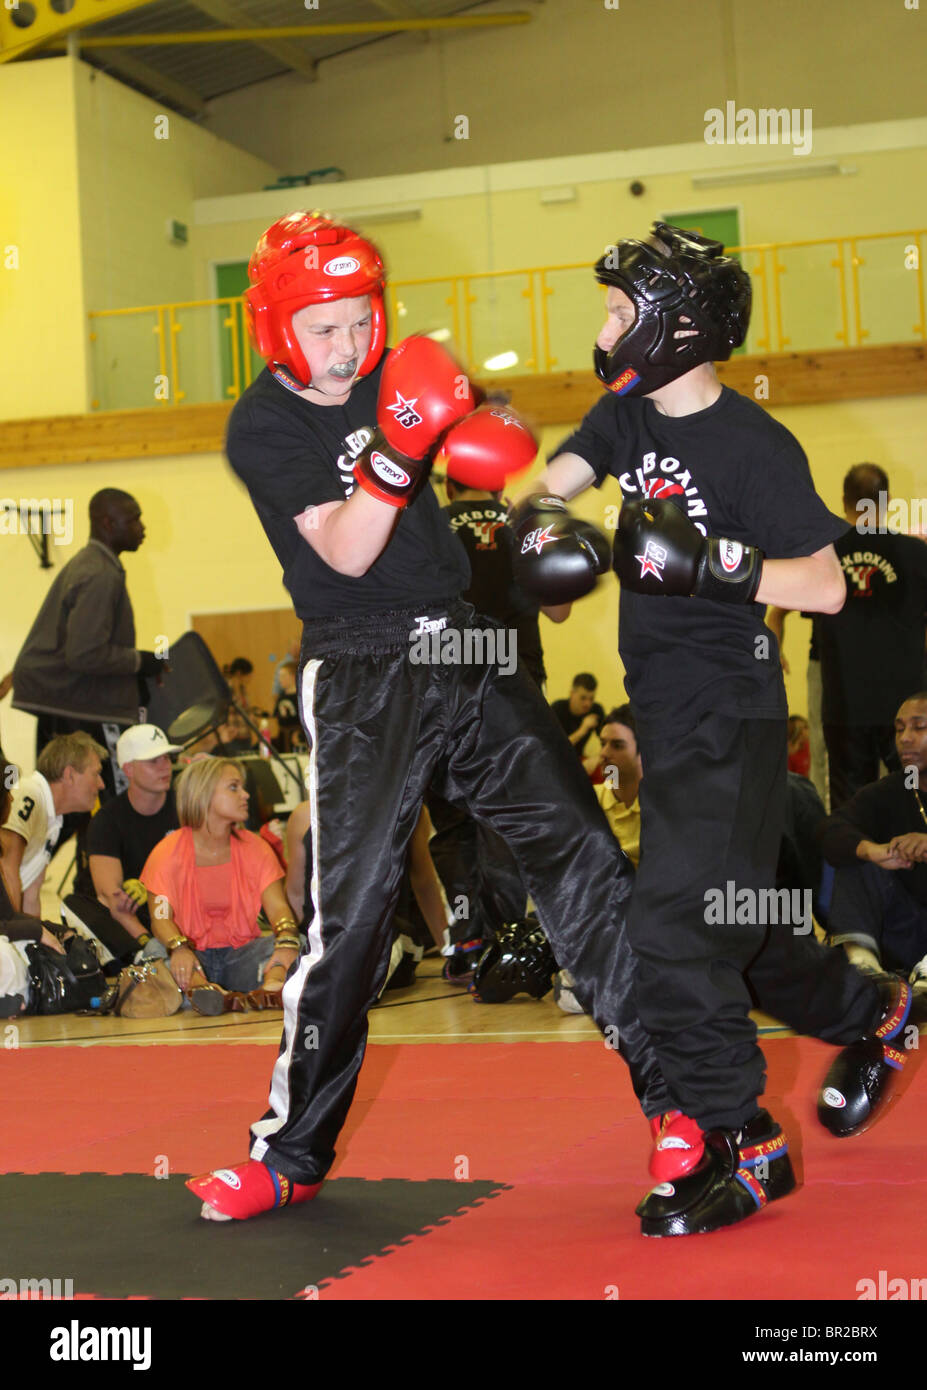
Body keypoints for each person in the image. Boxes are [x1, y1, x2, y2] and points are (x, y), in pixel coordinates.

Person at [186, 210, 677, 1224]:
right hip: (361, 668)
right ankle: (291, 1153)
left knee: (581, 853)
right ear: (279, 329)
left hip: (463, 638)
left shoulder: (393, 367)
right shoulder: (264, 424)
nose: (349, 345)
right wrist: (404, 448)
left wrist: (527, 509)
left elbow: (484, 470)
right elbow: (350, 549)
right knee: (353, 919)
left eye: (361, 320)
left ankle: (681, 1099)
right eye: (322, 328)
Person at [511, 222, 918, 1234]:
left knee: (669, 935)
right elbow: (550, 485)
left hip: (733, 717)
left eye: (617, 310)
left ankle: (746, 1145)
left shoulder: (755, 445)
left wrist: (711, 565)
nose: (603, 328)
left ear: (676, 326)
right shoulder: (624, 416)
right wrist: (539, 533)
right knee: (733, 925)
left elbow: (825, 587)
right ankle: (886, 1012)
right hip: (664, 714)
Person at [768, 465, 927, 809]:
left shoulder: (824, 553)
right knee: (910, 795)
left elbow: (775, 610)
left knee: (846, 802)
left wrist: (772, 649)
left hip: (843, 701)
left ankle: (849, 857)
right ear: (887, 502)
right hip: (902, 706)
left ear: (843, 501)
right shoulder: (916, 553)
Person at [11, 490, 164, 798]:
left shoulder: (92, 564)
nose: (142, 527)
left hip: (66, 702)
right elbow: (85, 654)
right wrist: (140, 661)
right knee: (112, 801)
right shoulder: (100, 574)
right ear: (108, 524)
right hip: (79, 708)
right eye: (134, 519)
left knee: (64, 809)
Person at [139, 757, 299, 1013]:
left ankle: (272, 985)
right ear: (203, 794)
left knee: (298, 943)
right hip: (191, 957)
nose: (246, 795)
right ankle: (200, 987)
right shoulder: (165, 853)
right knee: (155, 949)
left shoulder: (256, 847)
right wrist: (179, 947)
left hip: (241, 957)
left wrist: (287, 941)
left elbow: (278, 908)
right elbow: (160, 917)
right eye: (234, 787)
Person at [817, 692, 927, 984]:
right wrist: (873, 851)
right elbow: (831, 831)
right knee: (857, 856)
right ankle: (864, 970)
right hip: (908, 935)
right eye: (900, 728)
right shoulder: (890, 791)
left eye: (919, 727)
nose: (905, 738)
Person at [77, 724, 182, 962]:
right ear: (128, 769)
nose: (164, 766)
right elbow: (112, 901)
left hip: (183, 919)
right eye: (153, 760)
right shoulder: (107, 821)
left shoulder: (186, 808)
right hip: (138, 929)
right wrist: (150, 944)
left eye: (166, 757)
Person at [0, 732, 105, 914]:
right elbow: (7, 868)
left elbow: (31, 895)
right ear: (69, 774)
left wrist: (39, 936)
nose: (101, 784)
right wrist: (15, 933)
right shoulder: (30, 794)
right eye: (96, 774)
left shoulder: (54, 819)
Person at [550, 673, 605, 757]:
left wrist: (598, 758)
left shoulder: (596, 710)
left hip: (579, 759)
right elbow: (555, 749)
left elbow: (607, 741)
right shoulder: (557, 709)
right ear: (572, 694)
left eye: (591, 699)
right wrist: (582, 730)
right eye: (583, 698)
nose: (588, 704)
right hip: (556, 759)